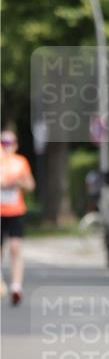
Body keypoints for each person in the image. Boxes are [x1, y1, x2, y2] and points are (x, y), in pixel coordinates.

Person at [0, 129, 35, 306]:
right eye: (3, 142)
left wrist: (17, 182)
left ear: (16, 145)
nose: (6, 146)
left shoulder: (21, 162)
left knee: (15, 248)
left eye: (9, 143)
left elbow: (30, 185)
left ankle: (16, 286)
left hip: (16, 211)